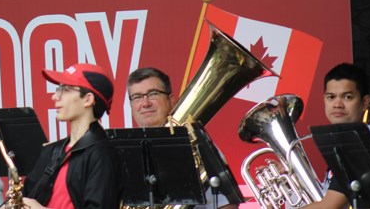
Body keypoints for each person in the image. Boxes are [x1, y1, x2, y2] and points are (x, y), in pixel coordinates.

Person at [126, 67, 238, 209]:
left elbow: (227, 204)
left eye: (153, 94)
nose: (145, 103)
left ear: (171, 99)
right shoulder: (121, 152)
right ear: (131, 105)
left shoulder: (197, 145)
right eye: (137, 97)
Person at [22, 63, 121, 209]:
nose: (55, 97)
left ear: (88, 99)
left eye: (66, 90)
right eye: (58, 89)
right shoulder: (51, 151)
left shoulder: (103, 155)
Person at [303, 63, 370, 209]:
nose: (337, 104)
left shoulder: (363, 144)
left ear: (365, 102)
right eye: (331, 97)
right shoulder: (341, 142)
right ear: (324, 99)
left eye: (347, 97)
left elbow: (329, 206)